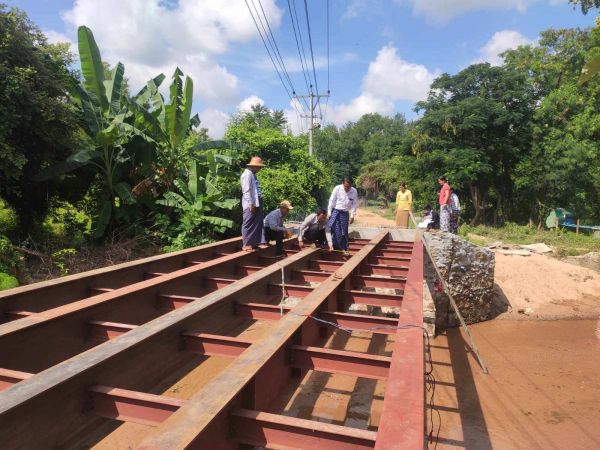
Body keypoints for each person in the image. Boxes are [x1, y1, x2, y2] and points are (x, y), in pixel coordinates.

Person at [240, 156, 265, 251]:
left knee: (256, 223)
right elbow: (246, 190)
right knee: (249, 223)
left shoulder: (252, 174)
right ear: (254, 166)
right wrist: (251, 203)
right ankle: (246, 244)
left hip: (256, 201)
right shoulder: (247, 175)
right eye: (259, 167)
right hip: (250, 203)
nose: (260, 169)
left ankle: (253, 243)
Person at [327, 177, 358, 251]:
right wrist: (329, 212)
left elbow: (354, 204)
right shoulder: (337, 188)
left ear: (351, 185)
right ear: (343, 184)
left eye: (349, 186)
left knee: (343, 232)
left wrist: (352, 216)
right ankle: (331, 245)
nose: (347, 188)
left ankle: (344, 248)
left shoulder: (354, 191)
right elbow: (332, 200)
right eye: (346, 186)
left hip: (345, 213)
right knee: (332, 228)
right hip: (335, 211)